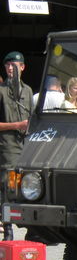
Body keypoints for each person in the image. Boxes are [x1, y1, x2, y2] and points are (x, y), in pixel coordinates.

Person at [0, 51, 33, 241]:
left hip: (26, 144)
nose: (11, 68)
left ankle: (32, 227)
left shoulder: (27, 91)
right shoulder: (1, 91)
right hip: (8, 145)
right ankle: (8, 227)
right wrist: (16, 126)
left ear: (22, 67)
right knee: (9, 185)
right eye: (8, 65)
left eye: (15, 65)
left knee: (28, 185)